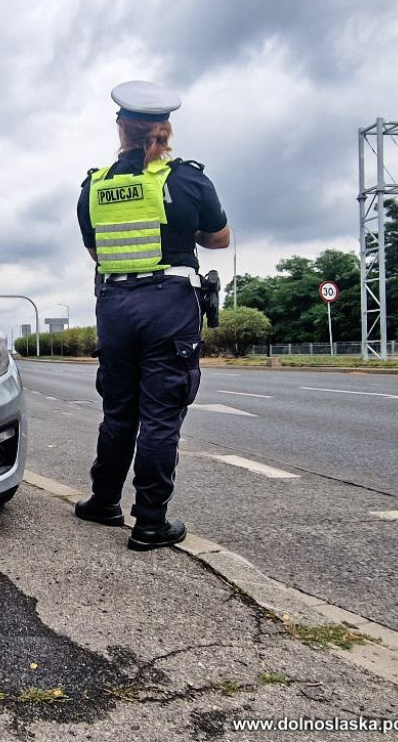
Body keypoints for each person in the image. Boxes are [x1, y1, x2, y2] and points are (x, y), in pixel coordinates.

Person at [74, 81, 230, 550]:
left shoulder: (95, 185)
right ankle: (149, 522)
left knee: (118, 410)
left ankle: (103, 501)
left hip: (116, 305)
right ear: (165, 129)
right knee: (161, 415)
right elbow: (219, 237)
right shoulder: (187, 179)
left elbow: (95, 250)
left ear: (120, 128)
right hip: (169, 304)